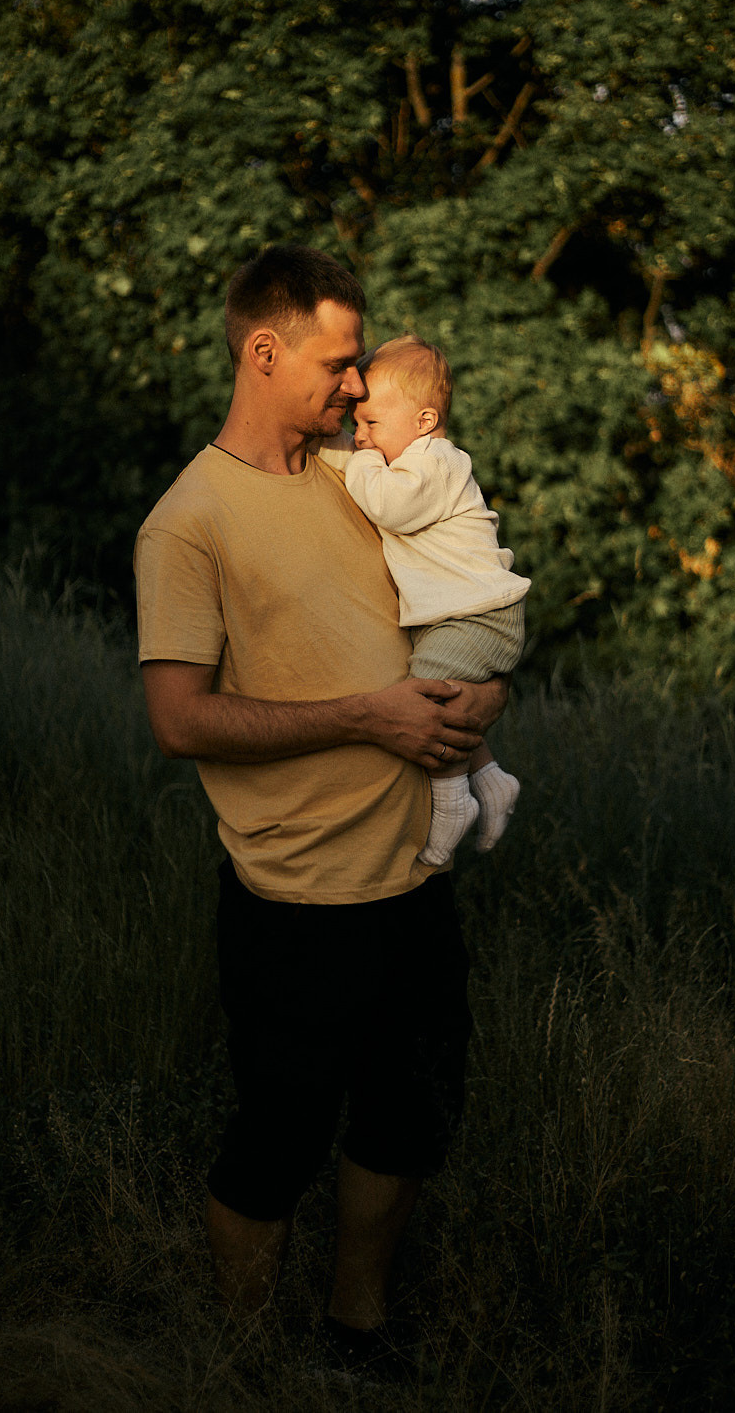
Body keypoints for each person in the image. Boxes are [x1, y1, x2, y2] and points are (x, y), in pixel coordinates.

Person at [133, 244, 508, 1367]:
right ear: (264, 351)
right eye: (340, 364)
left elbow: (465, 590)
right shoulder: (188, 522)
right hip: (293, 901)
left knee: (408, 1119)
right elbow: (180, 720)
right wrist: (372, 717)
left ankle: (358, 1330)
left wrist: (485, 683)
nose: (357, 387)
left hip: (416, 884)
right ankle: (245, 1364)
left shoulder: (368, 480)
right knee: (279, 1138)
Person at [316, 336, 529, 866]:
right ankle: (490, 778)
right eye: (356, 426)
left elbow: (390, 506)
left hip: (479, 616)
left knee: (426, 700)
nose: (361, 437)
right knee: (453, 700)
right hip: (463, 616)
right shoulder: (410, 454)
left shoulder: (436, 462)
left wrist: (356, 460)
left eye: (371, 425)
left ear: (425, 421)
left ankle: (452, 800)